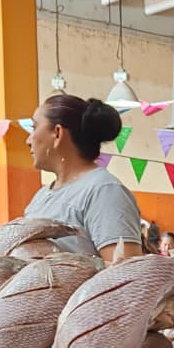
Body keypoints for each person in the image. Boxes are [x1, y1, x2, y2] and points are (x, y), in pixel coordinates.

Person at [24, 95, 143, 260]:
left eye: (34, 127)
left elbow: (125, 275)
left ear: (57, 133)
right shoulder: (41, 196)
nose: (28, 140)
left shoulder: (104, 191)